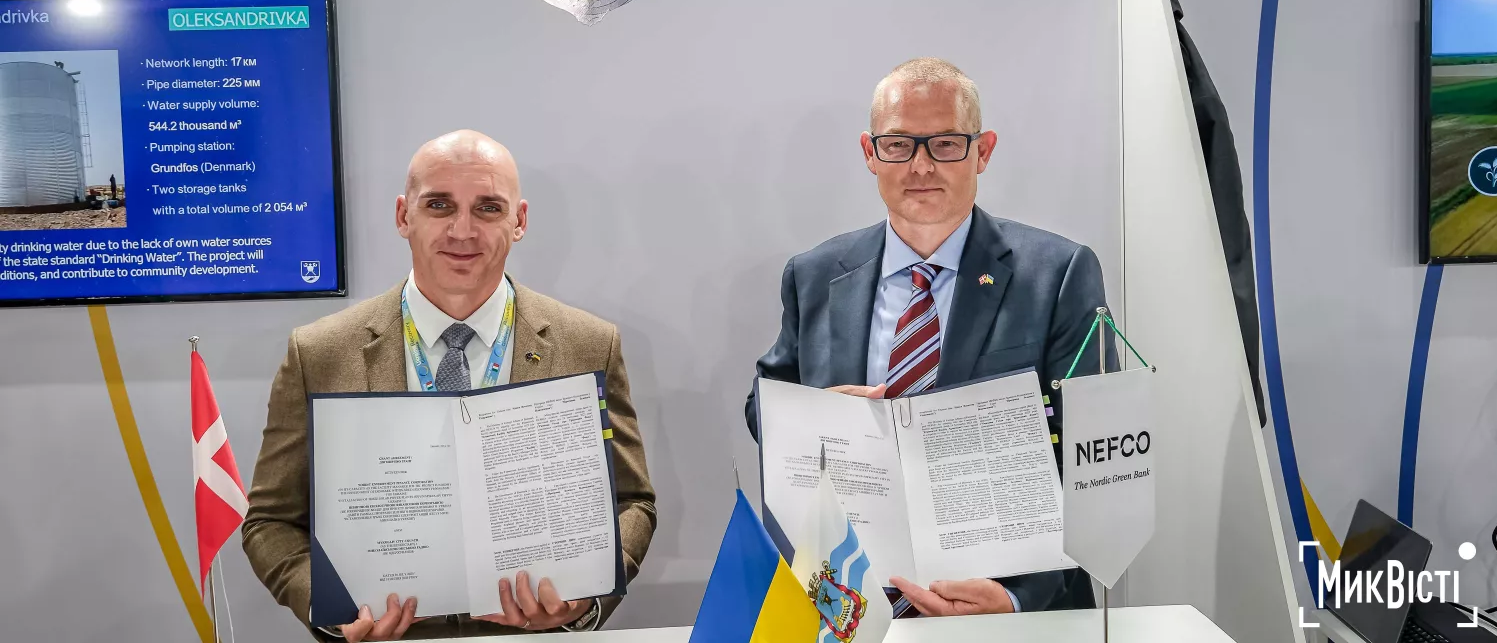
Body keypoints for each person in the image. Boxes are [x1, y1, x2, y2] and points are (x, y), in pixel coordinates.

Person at [243, 130, 656, 639]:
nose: (463, 231)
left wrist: (583, 602)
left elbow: (632, 503)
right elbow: (270, 522)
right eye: (439, 205)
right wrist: (333, 610)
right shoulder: (320, 352)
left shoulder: (589, 344)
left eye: (488, 208)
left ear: (519, 221)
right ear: (403, 216)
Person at [744, 58, 1115, 616]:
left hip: (1004, 605)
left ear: (982, 151)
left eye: (945, 144)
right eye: (898, 145)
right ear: (870, 153)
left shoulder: (1057, 274)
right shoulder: (814, 275)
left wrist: (1017, 598)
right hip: (850, 601)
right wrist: (815, 418)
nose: (920, 166)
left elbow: (1095, 455)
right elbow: (764, 408)